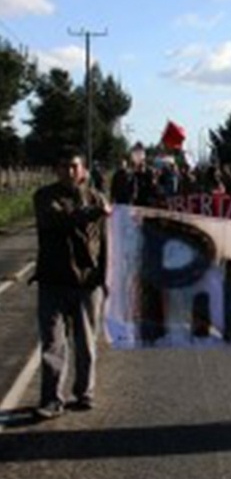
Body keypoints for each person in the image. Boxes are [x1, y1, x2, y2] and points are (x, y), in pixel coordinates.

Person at [32, 147, 111, 419]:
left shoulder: (97, 198)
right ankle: (51, 399)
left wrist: (108, 276)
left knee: (86, 343)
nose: (69, 171)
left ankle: (84, 392)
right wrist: (91, 210)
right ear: (56, 169)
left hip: (87, 283)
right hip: (53, 281)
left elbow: (105, 242)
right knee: (53, 344)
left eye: (74, 166)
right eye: (64, 166)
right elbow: (58, 220)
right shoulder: (45, 197)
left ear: (84, 170)